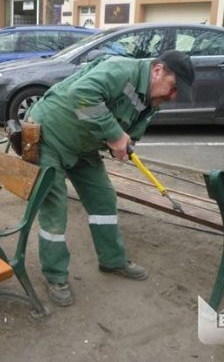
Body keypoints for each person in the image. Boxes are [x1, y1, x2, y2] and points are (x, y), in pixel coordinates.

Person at [27, 50, 195, 306]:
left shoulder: (150, 101)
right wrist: (115, 134)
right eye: (173, 88)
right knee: (55, 208)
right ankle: (55, 275)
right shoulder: (122, 69)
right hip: (50, 136)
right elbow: (81, 95)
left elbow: (130, 131)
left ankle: (112, 261)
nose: (173, 96)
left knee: (104, 198)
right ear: (158, 70)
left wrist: (126, 143)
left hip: (84, 145)